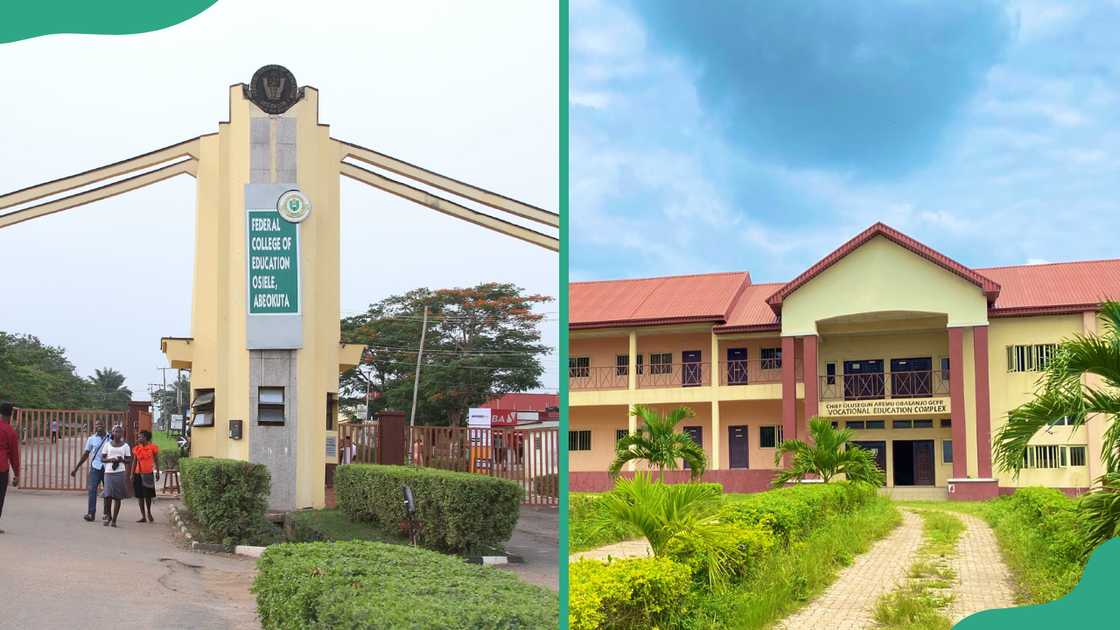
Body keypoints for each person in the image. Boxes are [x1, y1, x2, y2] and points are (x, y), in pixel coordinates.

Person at [70, 422, 111, 522]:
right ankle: (91, 513)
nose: (99, 426)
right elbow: (86, 454)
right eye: (97, 425)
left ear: (104, 426)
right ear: (94, 427)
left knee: (108, 491)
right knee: (92, 490)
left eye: (100, 424)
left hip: (108, 468)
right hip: (95, 467)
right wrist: (76, 468)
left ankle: (107, 513)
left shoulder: (111, 438)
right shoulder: (91, 439)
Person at [99, 425, 131, 527]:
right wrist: (111, 460)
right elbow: (102, 459)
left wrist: (121, 460)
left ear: (122, 434)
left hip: (119, 472)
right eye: (115, 432)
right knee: (107, 496)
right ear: (112, 433)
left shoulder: (125, 446)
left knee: (117, 497)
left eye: (119, 432)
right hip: (108, 472)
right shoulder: (107, 445)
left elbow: (129, 460)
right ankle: (109, 516)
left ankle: (114, 520)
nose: (117, 434)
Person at [0, 401, 21, 534]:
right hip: (1, 468)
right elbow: (14, 455)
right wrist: (17, 474)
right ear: (11, 414)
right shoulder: (10, 431)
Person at [130, 430, 159, 523]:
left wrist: (157, 471)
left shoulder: (152, 448)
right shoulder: (137, 448)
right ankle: (143, 516)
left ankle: (149, 512)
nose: (139, 438)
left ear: (146, 438)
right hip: (138, 474)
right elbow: (134, 462)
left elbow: (156, 460)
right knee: (140, 496)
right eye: (138, 437)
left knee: (148, 496)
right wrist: (132, 474)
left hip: (148, 474)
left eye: (140, 437)